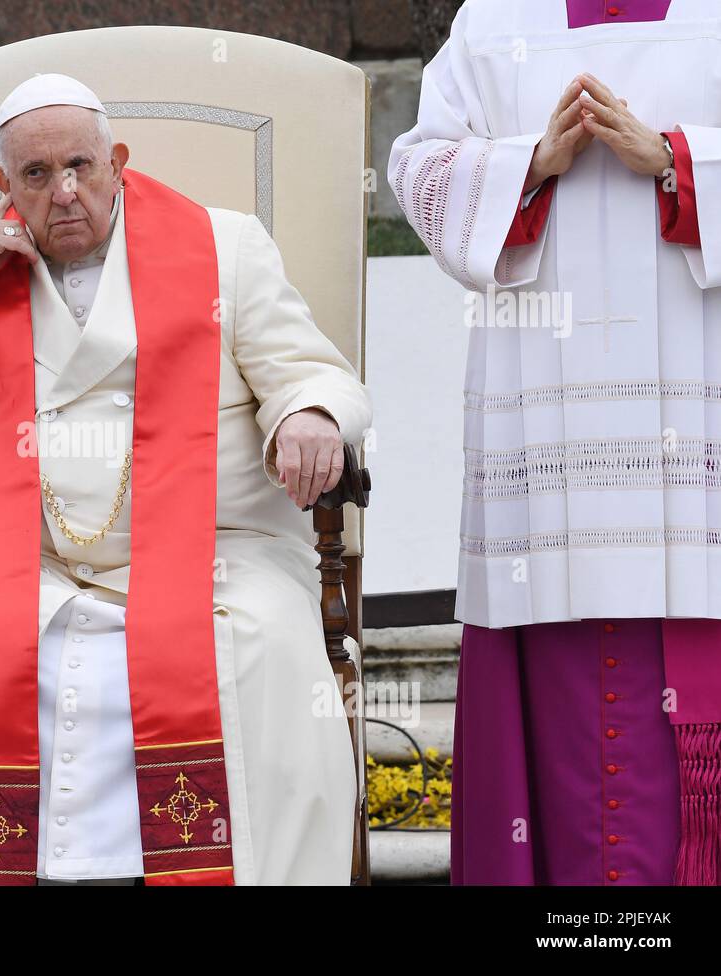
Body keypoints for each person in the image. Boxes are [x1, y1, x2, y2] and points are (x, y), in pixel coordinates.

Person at [0, 74, 373, 885]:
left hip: (215, 557)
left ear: (117, 162)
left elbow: (318, 375)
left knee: (265, 646)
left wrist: (309, 415)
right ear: (5, 187)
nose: (64, 194)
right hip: (26, 566)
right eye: (35, 175)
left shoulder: (223, 247)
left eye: (81, 167)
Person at [389, 0, 721, 885]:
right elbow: (418, 168)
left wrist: (678, 161)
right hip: (545, 409)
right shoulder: (494, 19)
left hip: (697, 412)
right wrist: (529, 164)